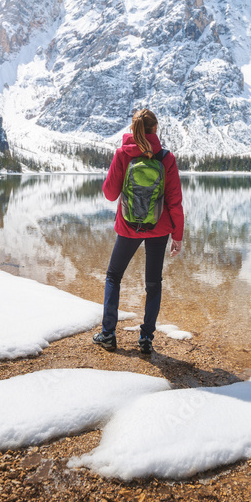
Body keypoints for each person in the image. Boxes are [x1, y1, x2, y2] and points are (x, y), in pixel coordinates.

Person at [93, 109, 184, 355]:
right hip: (159, 227)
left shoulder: (123, 154)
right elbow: (174, 201)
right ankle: (146, 339)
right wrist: (177, 235)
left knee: (114, 277)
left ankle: (108, 334)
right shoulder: (166, 158)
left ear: (133, 130)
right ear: (155, 130)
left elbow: (110, 194)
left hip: (128, 226)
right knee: (153, 284)